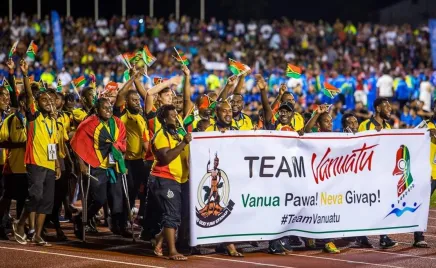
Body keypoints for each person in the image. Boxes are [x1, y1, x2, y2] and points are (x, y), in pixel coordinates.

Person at [13, 59, 60, 246]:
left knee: (46, 202)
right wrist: (25, 74)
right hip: (35, 162)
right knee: (36, 196)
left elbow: (53, 144)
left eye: (50, 100)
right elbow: (30, 96)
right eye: (44, 100)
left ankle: (38, 235)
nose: (48, 102)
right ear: (37, 104)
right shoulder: (33, 117)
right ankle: (20, 222)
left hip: (49, 164)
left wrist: (57, 164)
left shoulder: (52, 121)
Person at [71, 97, 129, 238]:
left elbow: (123, 141)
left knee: (117, 198)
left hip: (114, 166)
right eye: (104, 108)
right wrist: (81, 164)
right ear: (97, 110)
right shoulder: (89, 124)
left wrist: (122, 160)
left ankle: (118, 226)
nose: (109, 110)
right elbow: (76, 142)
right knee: (99, 199)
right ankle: (81, 219)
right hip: (97, 166)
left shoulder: (117, 123)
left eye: (110, 107)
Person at [149, 104, 191, 261]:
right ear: (164, 119)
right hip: (164, 178)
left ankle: (159, 240)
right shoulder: (161, 136)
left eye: (176, 115)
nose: (176, 117)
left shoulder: (177, 134)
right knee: (171, 214)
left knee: (175, 214)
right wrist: (183, 143)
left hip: (177, 179)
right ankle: (172, 251)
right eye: (172, 116)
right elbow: (165, 158)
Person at [358, 97, 401, 249]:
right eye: (386, 107)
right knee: (366, 204)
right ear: (377, 109)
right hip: (368, 173)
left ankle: (383, 237)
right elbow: (358, 147)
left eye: (390, 107)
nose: (390, 109)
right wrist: (373, 136)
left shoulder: (388, 127)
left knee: (384, 204)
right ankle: (360, 235)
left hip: (383, 172)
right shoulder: (366, 125)